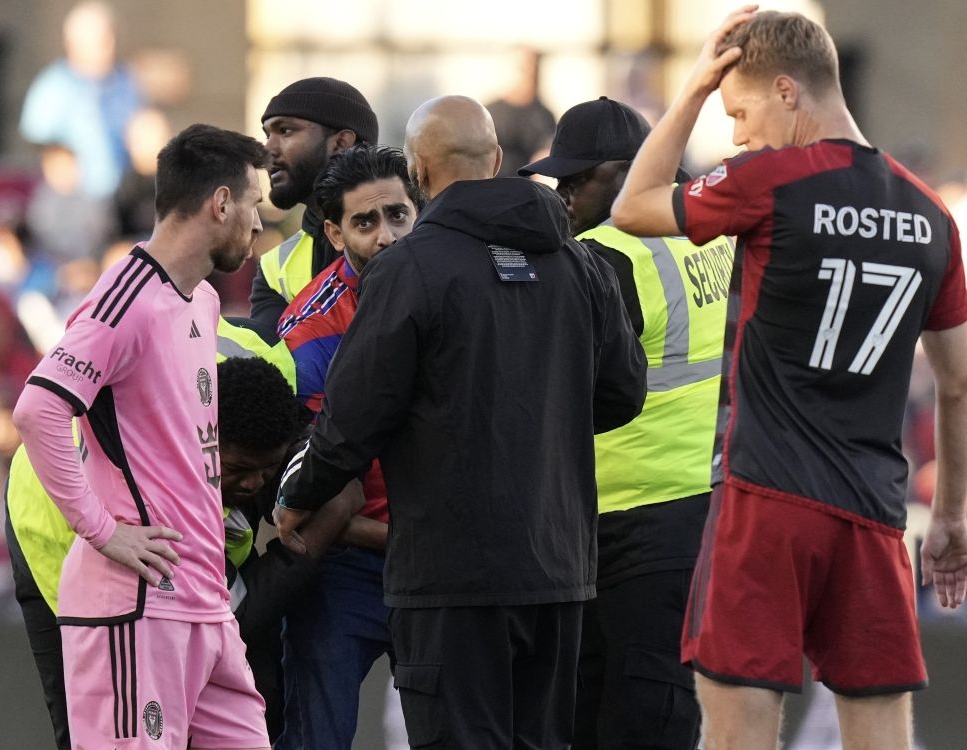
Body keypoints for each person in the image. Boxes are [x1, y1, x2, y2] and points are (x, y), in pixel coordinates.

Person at [610, 7, 967, 750]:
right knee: (882, 735)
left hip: (766, 500)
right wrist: (956, 516)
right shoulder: (932, 216)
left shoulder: (771, 179)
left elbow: (633, 207)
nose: (737, 134)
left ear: (785, 91)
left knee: (739, 735)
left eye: (740, 112)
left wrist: (693, 89)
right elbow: (958, 386)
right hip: (873, 512)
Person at [274, 95, 646, 749]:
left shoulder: (410, 270)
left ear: (418, 170)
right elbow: (623, 394)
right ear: (498, 159)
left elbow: (350, 422)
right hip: (558, 570)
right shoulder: (579, 262)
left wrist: (295, 495)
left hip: (452, 579)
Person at [12, 123, 272, 750]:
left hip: (204, 601)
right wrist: (102, 530)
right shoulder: (124, 298)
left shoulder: (201, 301)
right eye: (254, 205)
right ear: (220, 204)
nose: (260, 223)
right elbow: (38, 409)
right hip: (135, 605)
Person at [520, 96, 731, 750]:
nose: (565, 195)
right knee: (661, 699)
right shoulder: (715, 236)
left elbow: (551, 390)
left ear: (624, 171)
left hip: (620, 516)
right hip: (698, 506)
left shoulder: (606, 255)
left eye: (578, 180)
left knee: (609, 709)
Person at [275, 144, 421, 749]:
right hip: (350, 564)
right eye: (366, 222)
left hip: (439, 566)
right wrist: (409, 538)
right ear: (334, 233)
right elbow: (318, 490)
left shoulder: (458, 290)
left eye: (398, 215)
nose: (387, 236)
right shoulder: (309, 335)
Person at [250, 77, 379, 336]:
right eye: (267, 135)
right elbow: (270, 364)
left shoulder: (411, 238)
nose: (267, 151)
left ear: (341, 143)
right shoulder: (275, 266)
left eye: (285, 131)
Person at [19, 1, 143, 198]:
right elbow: (37, 142)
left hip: (123, 197)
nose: (105, 46)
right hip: (71, 201)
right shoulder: (54, 85)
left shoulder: (127, 82)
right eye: (95, 39)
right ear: (71, 42)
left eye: (108, 37)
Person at [485, 47, 557, 177]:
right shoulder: (491, 113)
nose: (530, 74)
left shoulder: (544, 115)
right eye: (524, 69)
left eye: (535, 69)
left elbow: (547, 153)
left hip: (529, 191)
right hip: (493, 188)